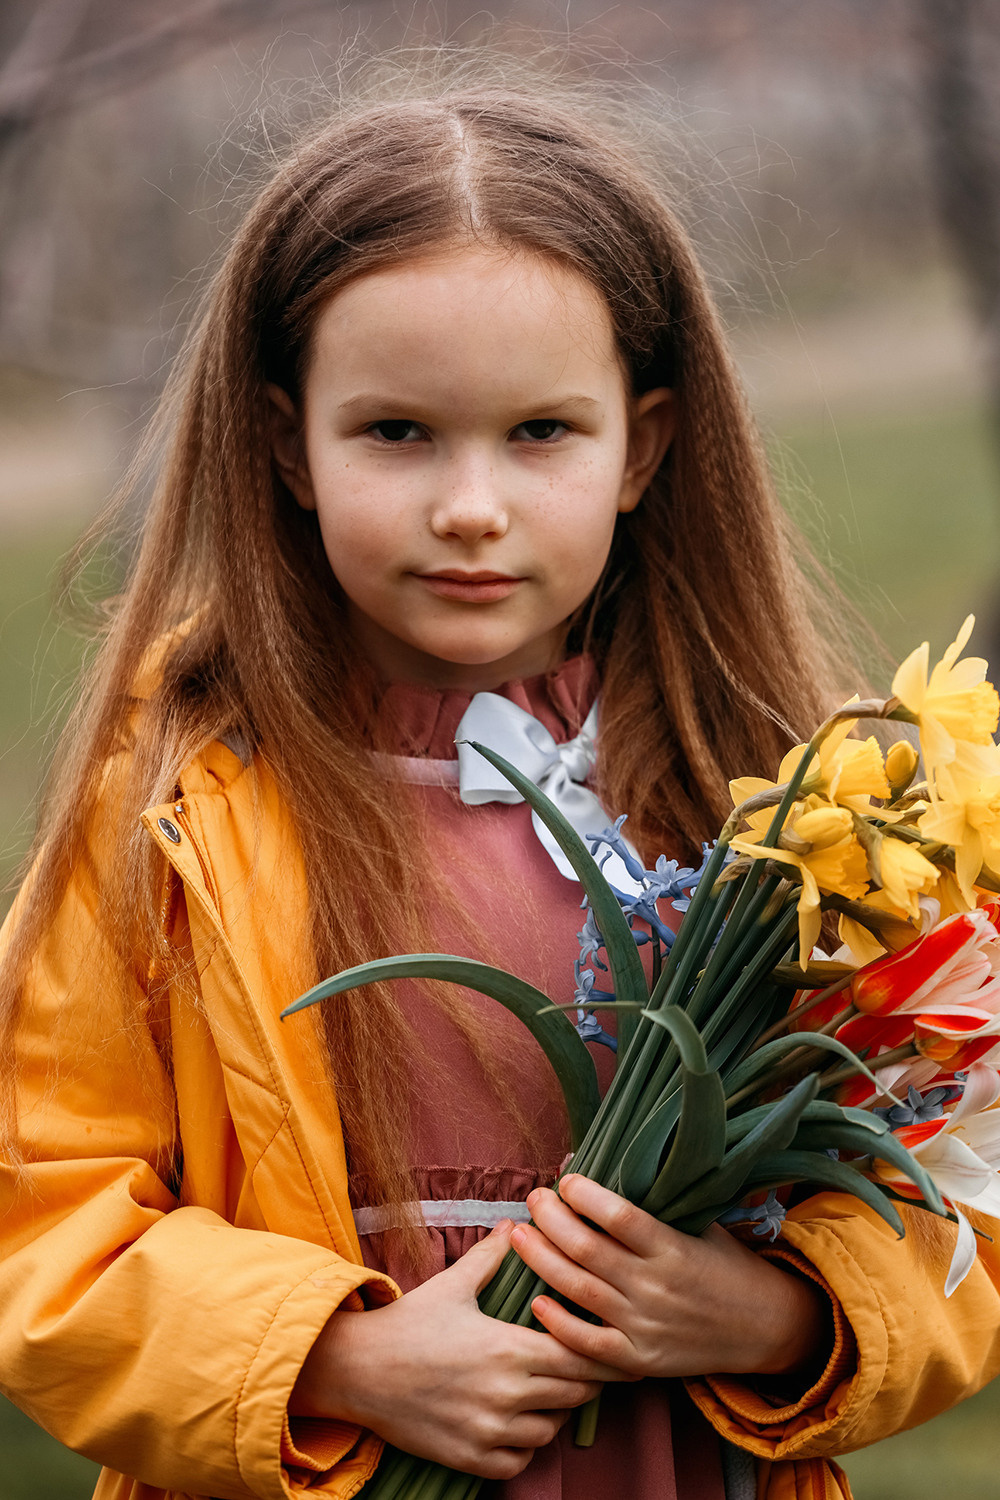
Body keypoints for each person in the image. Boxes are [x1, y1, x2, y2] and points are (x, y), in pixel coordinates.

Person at [1, 76, 998, 1500]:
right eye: (396, 433)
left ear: (642, 447)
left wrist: (781, 1317)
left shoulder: (785, 799)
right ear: (286, 442)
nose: (471, 504)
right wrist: (331, 1364)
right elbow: (43, 1212)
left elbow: (959, 1188)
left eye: (541, 434)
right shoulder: (179, 791)